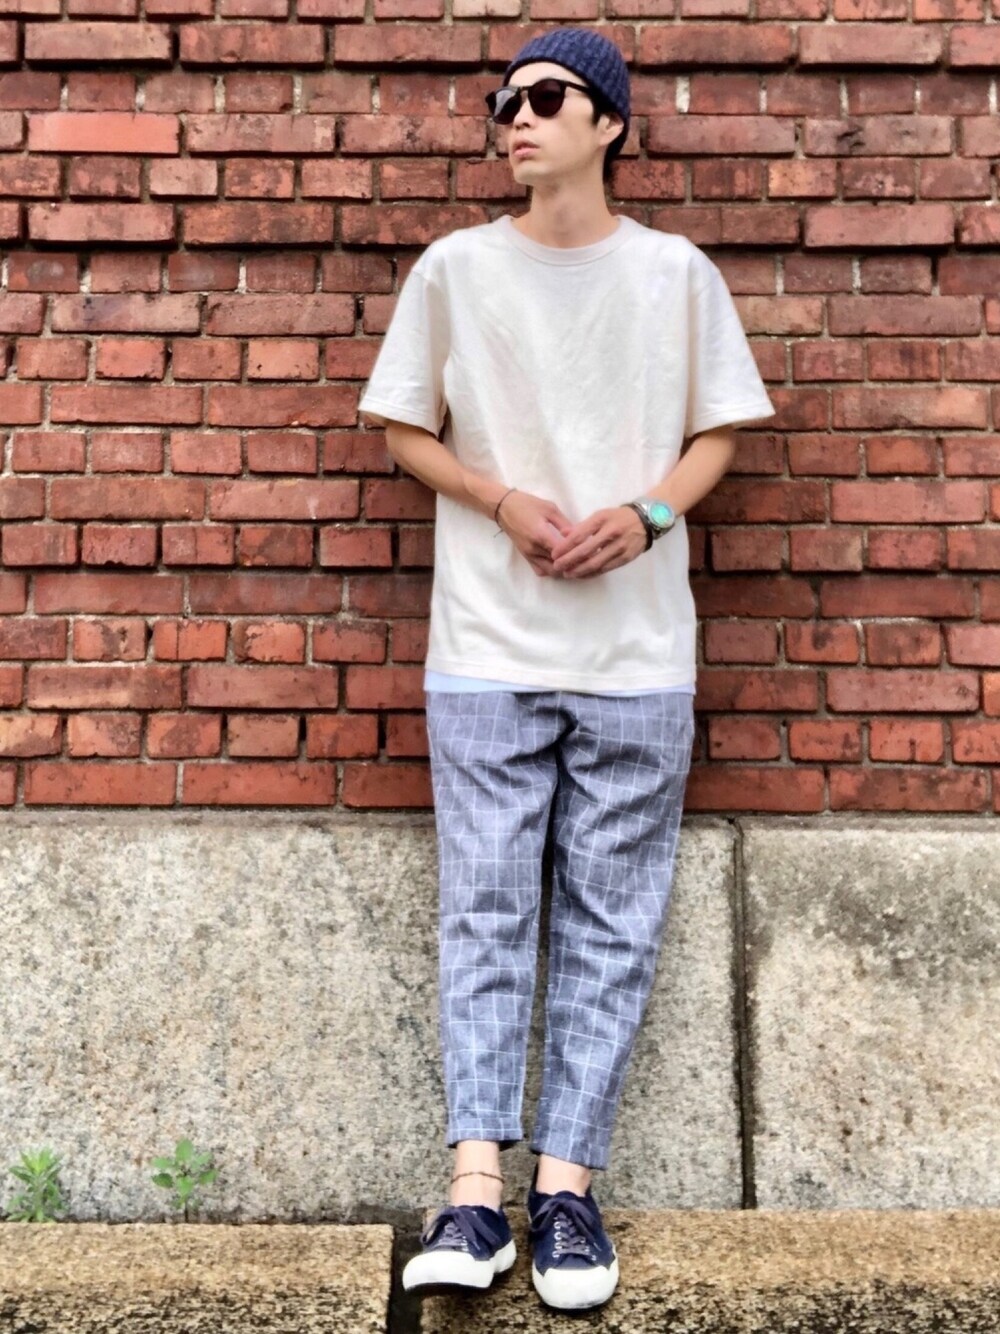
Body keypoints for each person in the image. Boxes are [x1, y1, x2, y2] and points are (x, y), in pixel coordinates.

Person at [358, 25, 776, 1311]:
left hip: (637, 653)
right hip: (485, 645)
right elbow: (399, 426)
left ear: (611, 122)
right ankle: (474, 1193)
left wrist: (647, 516)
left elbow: (719, 430)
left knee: (610, 923)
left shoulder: (674, 273)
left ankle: (568, 1193)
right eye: (504, 102)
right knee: (485, 910)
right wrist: (498, 497)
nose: (517, 118)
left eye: (546, 96)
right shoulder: (455, 268)